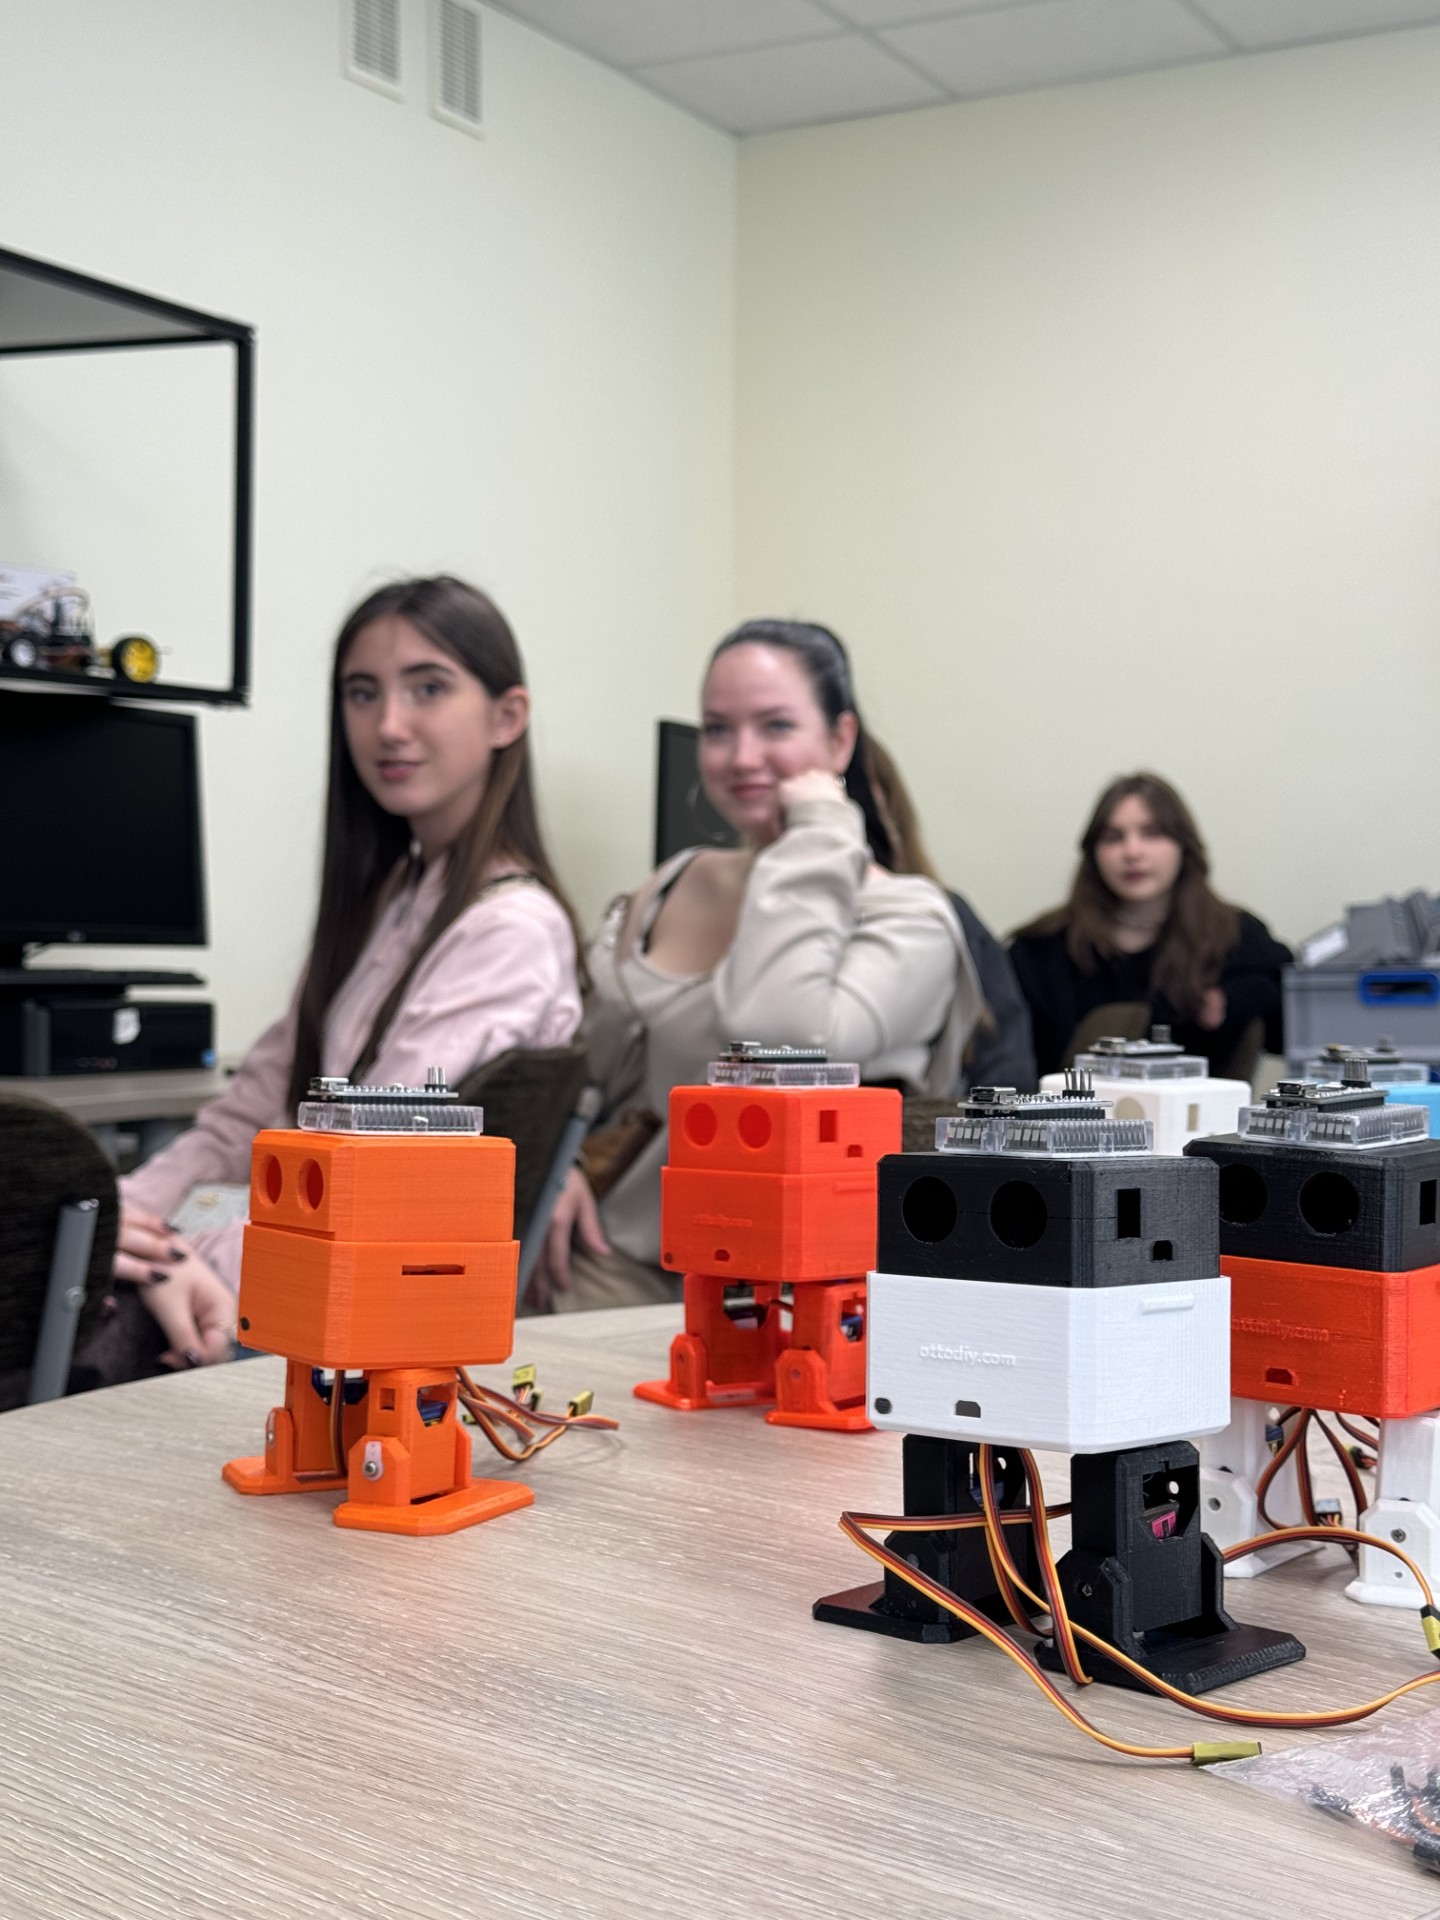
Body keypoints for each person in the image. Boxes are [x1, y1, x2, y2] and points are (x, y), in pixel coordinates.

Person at [116, 575, 583, 1369]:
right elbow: (252, 1109)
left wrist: (168, 1254)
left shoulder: (510, 929)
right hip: (286, 1274)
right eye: (363, 693)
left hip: (348, 1313)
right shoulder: (389, 897)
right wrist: (120, 1215)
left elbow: (365, 1185)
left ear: (507, 716)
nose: (388, 726)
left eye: (428, 688)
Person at [535, 616, 981, 1312]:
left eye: (776, 726)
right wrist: (557, 1169)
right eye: (718, 729)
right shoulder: (672, 882)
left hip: (800, 1295)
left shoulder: (910, 918)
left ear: (840, 740)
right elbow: (583, 1066)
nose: (742, 757)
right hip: (617, 1256)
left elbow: (778, 1038)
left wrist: (821, 831)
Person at [1009, 771, 1290, 1081]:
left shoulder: (1234, 935)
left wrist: (1229, 1002)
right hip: (1071, 1110)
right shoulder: (1040, 949)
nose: (1132, 852)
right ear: (1093, 853)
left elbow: (1287, 1020)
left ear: (1183, 845)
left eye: (1152, 833)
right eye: (1113, 837)